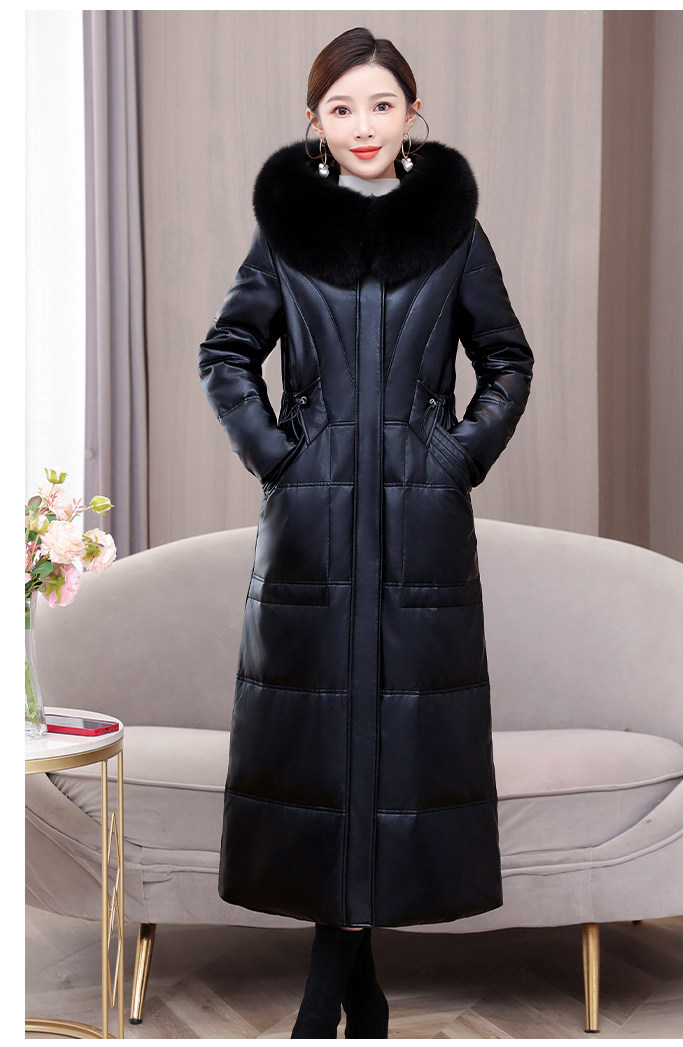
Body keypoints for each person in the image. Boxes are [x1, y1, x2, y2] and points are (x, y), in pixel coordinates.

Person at [198, 25, 534, 1039]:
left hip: (421, 530)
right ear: (314, 123)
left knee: (392, 748)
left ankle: (327, 1001)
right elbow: (228, 350)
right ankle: (356, 992)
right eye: (341, 107)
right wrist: (278, 453)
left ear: (412, 114)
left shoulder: (455, 232)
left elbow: (507, 358)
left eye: (381, 103)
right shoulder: (286, 233)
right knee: (325, 753)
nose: (363, 124)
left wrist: (454, 455)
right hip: (310, 531)